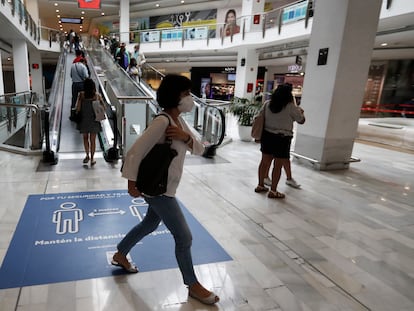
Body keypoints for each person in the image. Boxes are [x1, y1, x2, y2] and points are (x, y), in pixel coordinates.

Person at [111, 74, 220, 305]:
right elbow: (135, 151)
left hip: (164, 187)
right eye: (185, 94)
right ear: (174, 97)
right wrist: (131, 182)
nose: (190, 99)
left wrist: (185, 137)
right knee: (184, 237)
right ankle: (192, 284)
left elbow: (200, 149)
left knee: (149, 224)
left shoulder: (179, 122)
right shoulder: (162, 122)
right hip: (158, 190)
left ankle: (121, 254)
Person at [255, 83, 305, 199]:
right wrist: (301, 112)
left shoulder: (268, 104)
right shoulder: (291, 107)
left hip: (267, 137)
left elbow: (260, 117)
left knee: (264, 162)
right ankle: (273, 191)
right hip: (282, 138)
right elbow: (301, 121)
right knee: (277, 165)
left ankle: (260, 185)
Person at [74, 78, 105, 166]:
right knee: (93, 140)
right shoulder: (97, 95)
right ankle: (92, 158)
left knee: (85, 138)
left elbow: (78, 108)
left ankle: (87, 155)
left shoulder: (81, 95)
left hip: (84, 119)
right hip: (94, 120)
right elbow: (103, 107)